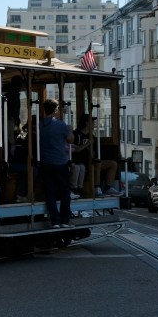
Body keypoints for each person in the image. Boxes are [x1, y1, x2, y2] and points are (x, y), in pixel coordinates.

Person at [38, 98, 74, 228]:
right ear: (56, 110)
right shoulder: (60, 125)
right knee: (65, 192)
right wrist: (69, 129)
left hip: (45, 163)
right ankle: (65, 220)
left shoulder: (40, 124)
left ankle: (55, 221)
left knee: (50, 192)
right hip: (60, 163)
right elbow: (70, 140)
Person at [70, 115, 93, 197]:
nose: (93, 124)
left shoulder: (91, 136)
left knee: (82, 167)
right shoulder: (76, 134)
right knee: (77, 167)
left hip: (84, 161)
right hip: (74, 160)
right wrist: (86, 144)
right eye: (92, 121)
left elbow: (93, 154)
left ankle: (80, 188)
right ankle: (74, 188)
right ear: (87, 123)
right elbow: (75, 149)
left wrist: (90, 148)